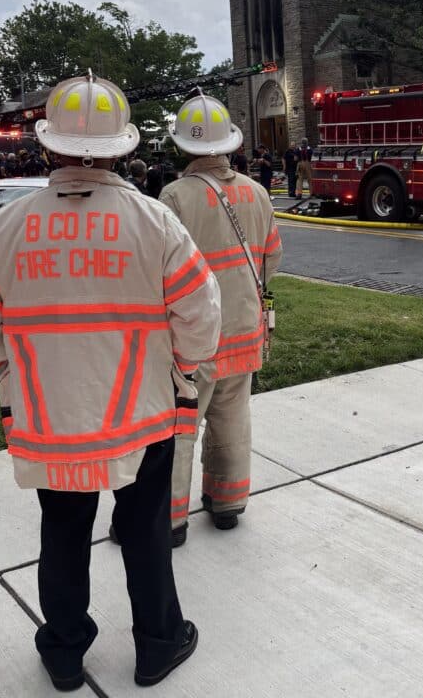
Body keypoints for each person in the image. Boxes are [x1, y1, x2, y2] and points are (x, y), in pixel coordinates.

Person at [0, 71, 222, 692]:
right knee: (145, 532)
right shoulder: (154, 221)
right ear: (121, 148)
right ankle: (158, 644)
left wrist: (11, 368)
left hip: (47, 416)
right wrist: (182, 366)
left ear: (50, 147)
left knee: (63, 532)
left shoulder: (8, 225)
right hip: (142, 414)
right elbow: (201, 315)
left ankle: (64, 652)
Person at [155, 90, 282, 547]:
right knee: (233, 419)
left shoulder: (174, 197)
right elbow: (272, 259)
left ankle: (170, 521)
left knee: (180, 428)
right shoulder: (257, 192)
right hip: (245, 329)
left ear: (183, 146)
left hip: (194, 338)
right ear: (228, 142)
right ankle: (228, 503)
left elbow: (162, 275)